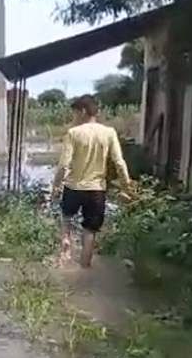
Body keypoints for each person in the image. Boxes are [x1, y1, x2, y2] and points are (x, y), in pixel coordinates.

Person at [52, 95, 133, 268]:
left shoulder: (74, 133)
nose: (73, 118)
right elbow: (119, 162)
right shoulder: (109, 133)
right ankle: (84, 269)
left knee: (66, 219)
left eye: (74, 113)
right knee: (90, 231)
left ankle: (65, 247)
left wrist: (55, 185)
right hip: (96, 190)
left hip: (73, 187)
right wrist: (127, 186)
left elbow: (63, 165)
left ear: (82, 111)